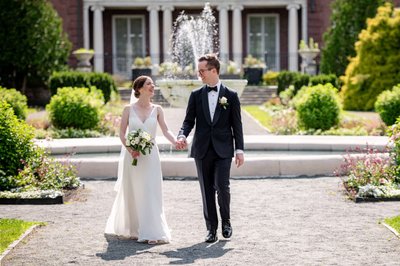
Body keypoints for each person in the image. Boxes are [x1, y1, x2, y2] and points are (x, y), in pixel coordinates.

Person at [176, 54, 244, 243]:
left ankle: (226, 222)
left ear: (214, 70)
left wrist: (240, 150)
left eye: (202, 71)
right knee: (206, 190)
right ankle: (211, 229)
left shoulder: (231, 96)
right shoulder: (196, 95)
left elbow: (236, 126)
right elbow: (188, 121)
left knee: (222, 186)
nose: (199, 75)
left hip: (223, 150)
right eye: (198, 71)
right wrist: (182, 135)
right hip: (202, 149)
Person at [105, 75, 177, 245]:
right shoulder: (128, 109)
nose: (153, 86)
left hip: (151, 156)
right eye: (149, 84)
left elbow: (166, 130)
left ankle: (153, 230)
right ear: (139, 89)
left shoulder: (158, 109)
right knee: (134, 190)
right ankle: (135, 228)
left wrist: (176, 141)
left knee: (151, 190)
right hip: (133, 157)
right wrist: (130, 149)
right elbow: (122, 133)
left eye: (153, 83)